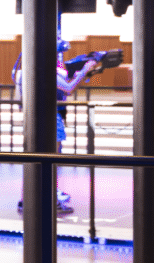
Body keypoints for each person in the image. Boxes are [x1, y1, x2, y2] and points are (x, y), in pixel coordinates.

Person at [17, 37, 97, 214]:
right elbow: (68, 88)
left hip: (32, 117)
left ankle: (25, 200)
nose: (59, 57)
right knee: (52, 160)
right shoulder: (45, 69)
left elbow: (19, 99)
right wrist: (84, 71)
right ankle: (52, 201)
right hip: (50, 116)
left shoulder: (26, 69)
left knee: (31, 160)